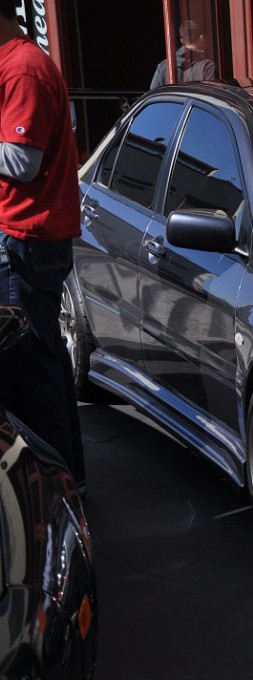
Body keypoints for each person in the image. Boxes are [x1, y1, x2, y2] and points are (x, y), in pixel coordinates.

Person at [0, 0, 86, 491]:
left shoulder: (24, 68)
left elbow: (22, 162)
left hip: (27, 242)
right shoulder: (18, 63)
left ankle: (53, 491)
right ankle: (67, 482)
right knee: (42, 365)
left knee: (29, 371)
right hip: (25, 238)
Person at [150, 19, 217, 88]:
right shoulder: (207, 66)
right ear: (201, 37)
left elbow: (154, 92)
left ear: (182, 41)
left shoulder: (163, 66)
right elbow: (211, 92)